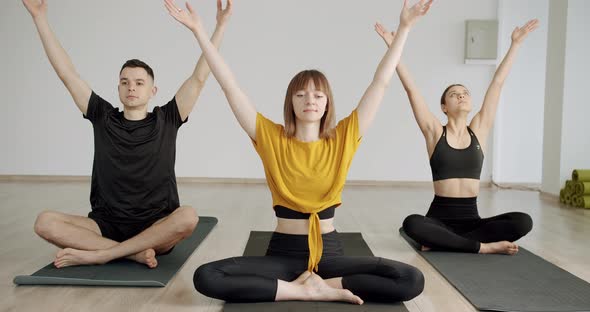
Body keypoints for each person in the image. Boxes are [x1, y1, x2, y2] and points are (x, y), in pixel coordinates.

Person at [164, 0, 432, 304]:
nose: (310, 100)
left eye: (318, 95)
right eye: (301, 94)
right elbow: (230, 86)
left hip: (330, 253)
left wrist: (405, 28)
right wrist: (201, 30)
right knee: (206, 276)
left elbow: (380, 83)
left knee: (411, 279)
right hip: (283, 255)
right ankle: (306, 290)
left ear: (327, 103)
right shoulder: (271, 137)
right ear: (290, 102)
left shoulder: (343, 137)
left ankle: (321, 285)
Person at [23, 0, 232, 268]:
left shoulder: (167, 118)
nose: (131, 87)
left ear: (152, 91)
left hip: (156, 227)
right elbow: (67, 74)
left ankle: (103, 254)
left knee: (188, 217)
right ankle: (131, 252)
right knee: (44, 222)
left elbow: (200, 77)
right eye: (125, 82)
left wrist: (220, 26)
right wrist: (40, 18)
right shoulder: (102, 115)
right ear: (118, 88)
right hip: (105, 225)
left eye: (139, 82)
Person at [374, 19, 538, 255]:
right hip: (438, 220)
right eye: (454, 94)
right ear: (443, 106)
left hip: (472, 221)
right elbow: (412, 89)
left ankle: (447, 242)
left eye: (465, 93)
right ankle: (480, 247)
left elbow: (498, 83)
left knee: (524, 221)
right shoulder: (434, 132)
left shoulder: (479, 130)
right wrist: (393, 47)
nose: (461, 96)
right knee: (412, 223)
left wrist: (516, 44)